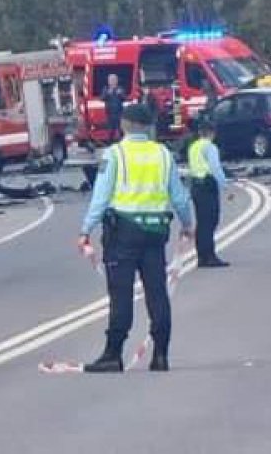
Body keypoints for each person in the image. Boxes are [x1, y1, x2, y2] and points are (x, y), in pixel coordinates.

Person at [77, 104, 196, 373]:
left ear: (123, 125)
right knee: (157, 293)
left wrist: (86, 230)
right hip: (155, 232)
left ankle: (113, 354)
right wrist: (188, 224)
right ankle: (161, 355)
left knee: (121, 293)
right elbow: (179, 196)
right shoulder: (163, 154)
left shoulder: (115, 154)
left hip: (122, 233)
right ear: (148, 127)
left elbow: (101, 196)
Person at [186, 115, 230, 268]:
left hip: (196, 186)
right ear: (212, 133)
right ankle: (209, 256)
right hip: (207, 185)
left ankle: (202, 256)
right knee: (211, 221)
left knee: (202, 222)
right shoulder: (210, 147)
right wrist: (224, 184)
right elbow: (215, 167)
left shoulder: (193, 147)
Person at [101, 73, 127, 144]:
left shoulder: (120, 89)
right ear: (108, 81)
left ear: (117, 81)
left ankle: (123, 143)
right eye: (111, 80)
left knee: (121, 129)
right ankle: (110, 144)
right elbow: (102, 98)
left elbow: (125, 98)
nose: (112, 81)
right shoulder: (105, 89)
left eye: (114, 80)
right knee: (110, 130)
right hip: (110, 113)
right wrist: (107, 93)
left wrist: (121, 94)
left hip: (119, 112)